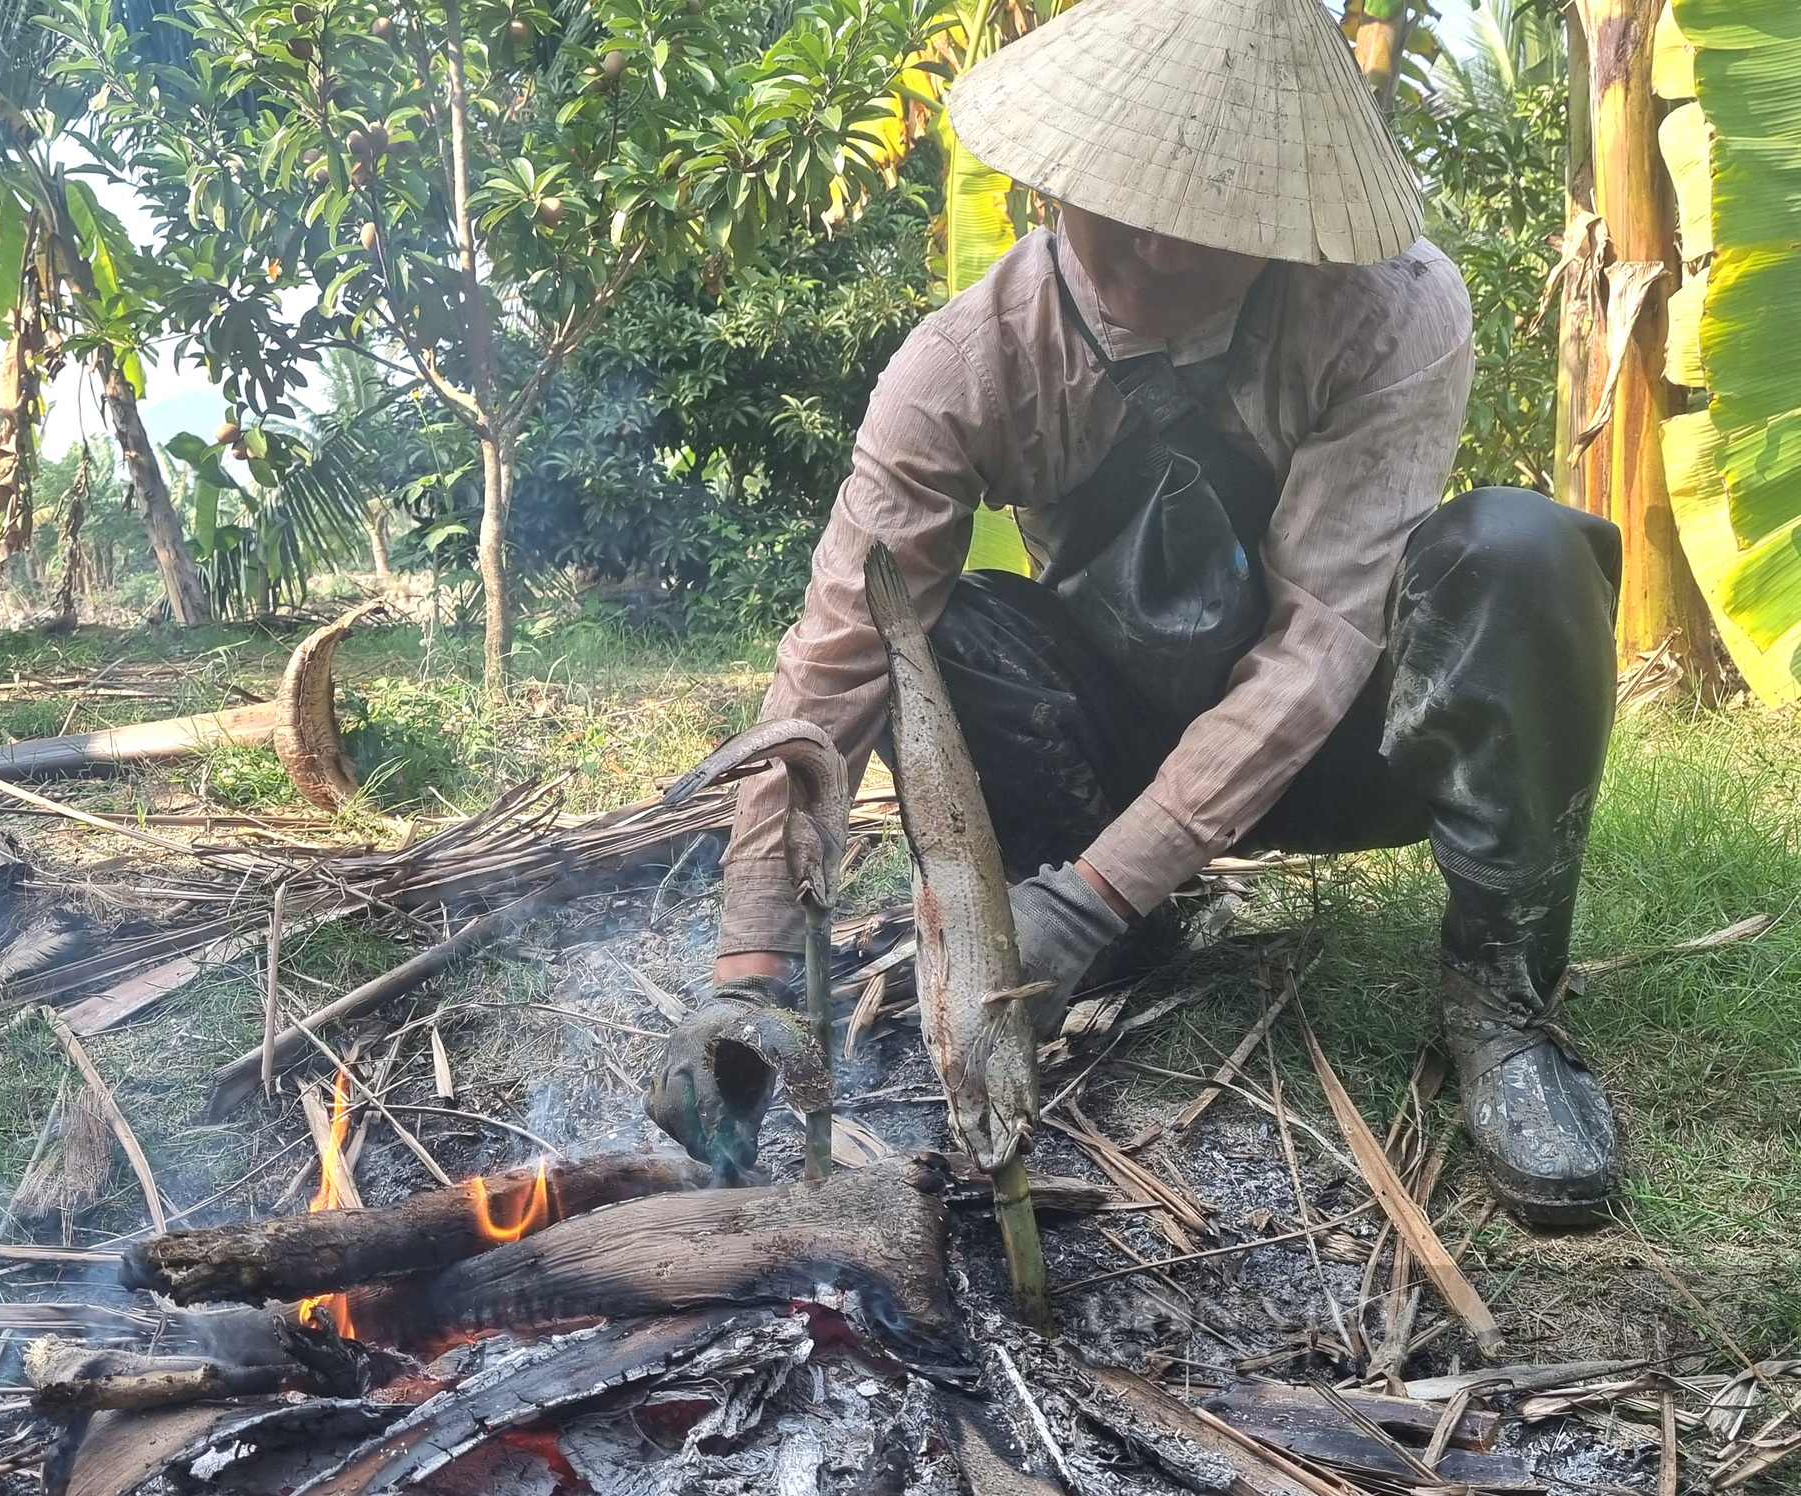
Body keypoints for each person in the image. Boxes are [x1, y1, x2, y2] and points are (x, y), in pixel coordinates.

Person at [646, 0, 1623, 1226]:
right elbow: (839, 654)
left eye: (1208, 223)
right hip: (1118, 732)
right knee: (927, 635)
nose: (1160, 252)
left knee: (1520, 549)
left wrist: (1094, 891)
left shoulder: (1386, 311)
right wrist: (749, 970)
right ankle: (1120, 933)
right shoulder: (964, 363)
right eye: (1130, 209)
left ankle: (1500, 1005)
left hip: (1344, 747)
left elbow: (1322, 639)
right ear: (1060, 178)